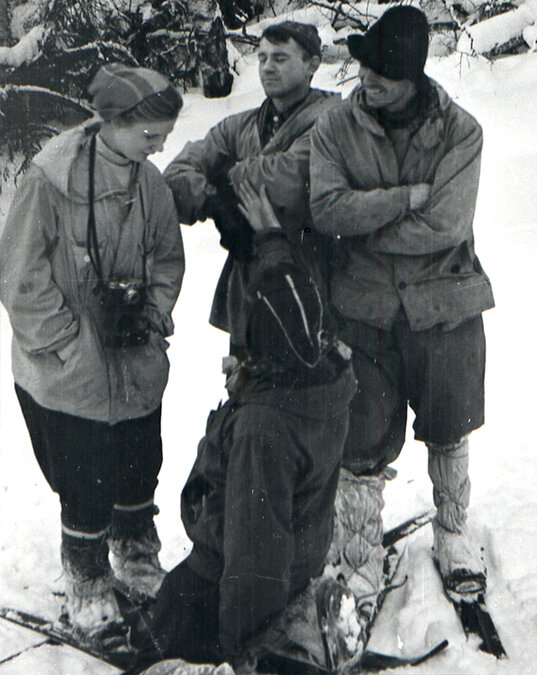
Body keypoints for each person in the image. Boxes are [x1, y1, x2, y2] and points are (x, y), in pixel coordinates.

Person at [307, 5, 493, 617]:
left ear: (415, 74)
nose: (369, 82)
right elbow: (327, 210)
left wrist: (367, 223)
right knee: (359, 439)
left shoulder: (461, 131)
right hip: (361, 308)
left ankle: (455, 535)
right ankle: (359, 558)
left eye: (384, 73)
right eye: (365, 69)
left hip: (445, 303)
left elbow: (446, 224)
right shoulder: (336, 127)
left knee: (451, 423)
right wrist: (402, 199)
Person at [0, 64, 185, 636]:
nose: (160, 148)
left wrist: (151, 315)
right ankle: (86, 580)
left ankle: (136, 556)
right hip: (69, 368)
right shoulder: (51, 180)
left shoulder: (148, 183)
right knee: (84, 480)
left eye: (165, 136)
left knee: (137, 464)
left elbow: (167, 259)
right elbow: (20, 274)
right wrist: (66, 341)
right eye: (149, 135)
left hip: (133, 360)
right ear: (113, 122)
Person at [146, 181, 357, 673]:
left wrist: (242, 649)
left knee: (169, 618)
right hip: (299, 557)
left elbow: (253, 556)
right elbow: (286, 282)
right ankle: (298, 615)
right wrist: (271, 236)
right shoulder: (322, 370)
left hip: (240, 575)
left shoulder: (265, 427)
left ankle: (274, 644)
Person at [164, 20, 338, 360]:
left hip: (314, 279)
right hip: (250, 282)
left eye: (280, 58)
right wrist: (217, 200)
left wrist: (222, 180)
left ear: (312, 64)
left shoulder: (332, 120)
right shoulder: (240, 126)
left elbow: (288, 181)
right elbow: (175, 175)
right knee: (249, 389)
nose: (267, 67)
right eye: (262, 58)